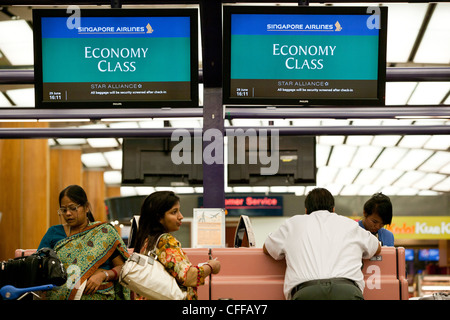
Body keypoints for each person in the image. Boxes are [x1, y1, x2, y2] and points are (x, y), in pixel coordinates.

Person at [263, 187, 381, 300]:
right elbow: (376, 248)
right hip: (348, 292)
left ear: (306, 211)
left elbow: (267, 248)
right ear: (333, 209)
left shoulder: (292, 224)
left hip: (306, 293)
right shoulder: (350, 224)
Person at [38, 185, 130, 300]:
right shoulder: (53, 232)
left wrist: (103, 275)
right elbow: (39, 266)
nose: (68, 213)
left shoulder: (104, 233)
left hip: (99, 294)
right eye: (63, 210)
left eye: (73, 208)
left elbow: (123, 268)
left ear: (86, 207)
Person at [132, 191, 221, 300]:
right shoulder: (165, 241)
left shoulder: (146, 241)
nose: (181, 216)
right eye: (174, 212)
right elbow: (188, 277)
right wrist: (211, 267)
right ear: (159, 217)